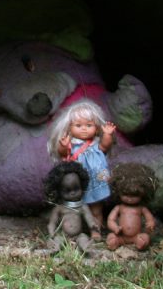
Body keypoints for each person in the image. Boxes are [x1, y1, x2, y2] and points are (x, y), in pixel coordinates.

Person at [47, 98, 116, 233]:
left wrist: (107, 135)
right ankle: (75, 230)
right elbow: (63, 154)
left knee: (96, 209)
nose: (84, 129)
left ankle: (95, 231)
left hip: (95, 183)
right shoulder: (72, 144)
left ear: (96, 128)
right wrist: (63, 145)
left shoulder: (96, 144)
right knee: (74, 209)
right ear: (69, 128)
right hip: (76, 186)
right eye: (78, 125)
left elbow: (105, 146)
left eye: (89, 125)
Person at [41, 161, 99, 255]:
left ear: (82, 186)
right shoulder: (59, 208)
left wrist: (93, 225)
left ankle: (86, 248)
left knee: (84, 238)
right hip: (63, 235)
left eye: (76, 189)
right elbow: (52, 223)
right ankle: (53, 249)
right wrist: (51, 234)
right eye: (67, 191)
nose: (72, 193)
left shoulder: (82, 206)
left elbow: (89, 219)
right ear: (59, 191)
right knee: (58, 239)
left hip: (78, 235)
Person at [105, 162, 158, 251]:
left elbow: (150, 219)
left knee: (144, 237)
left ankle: (141, 243)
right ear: (118, 192)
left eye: (134, 195)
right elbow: (110, 220)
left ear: (143, 194)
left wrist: (151, 223)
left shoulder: (141, 208)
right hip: (121, 236)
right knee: (111, 236)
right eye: (125, 194)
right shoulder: (119, 207)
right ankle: (114, 242)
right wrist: (115, 227)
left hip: (136, 236)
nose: (130, 199)